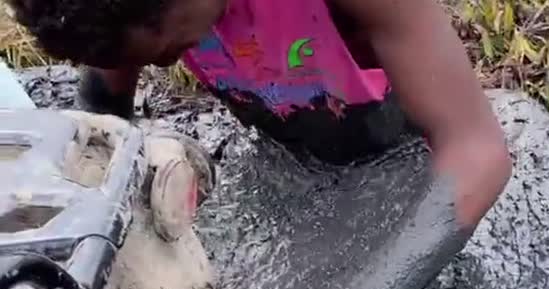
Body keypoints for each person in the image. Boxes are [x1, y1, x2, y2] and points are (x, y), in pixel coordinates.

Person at [7, 0, 510, 240]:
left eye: (170, 49)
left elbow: (476, 152)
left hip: (408, 164)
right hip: (293, 157)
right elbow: (103, 99)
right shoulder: (122, 13)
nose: (161, 66)